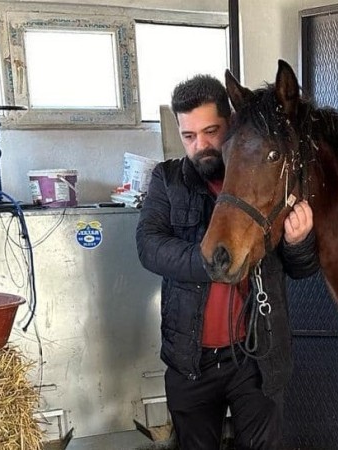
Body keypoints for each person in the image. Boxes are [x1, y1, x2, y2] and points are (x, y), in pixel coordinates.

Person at [136, 74, 319, 450]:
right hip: (190, 359)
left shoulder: (266, 177)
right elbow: (149, 246)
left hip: (256, 358)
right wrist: (213, 261)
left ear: (231, 122)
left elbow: (301, 269)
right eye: (189, 136)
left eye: (210, 131)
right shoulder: (168, 180)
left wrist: (299, 242)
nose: (201, 145)